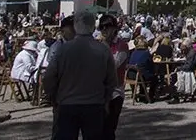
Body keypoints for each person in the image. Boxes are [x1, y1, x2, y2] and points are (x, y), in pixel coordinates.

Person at [43, 11, 117, 140]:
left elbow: (49, 76)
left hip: (67, 103)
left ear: (76, 26)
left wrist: (52, 96)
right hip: (94, 105)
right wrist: (105, 99)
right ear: (93, 27)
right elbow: (111, 80)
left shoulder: (63, 49)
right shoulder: (103, 50)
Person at [99, 14, 129, 140]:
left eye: (108, 27)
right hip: (98, 91)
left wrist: (105, 45)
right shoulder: (96, 44)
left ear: (114, 28)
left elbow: (115, 64)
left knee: (109, 128)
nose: (105, 30)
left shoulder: (122, 45)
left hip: (115, 92)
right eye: (102, 27)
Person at [128, 36, 158, 102]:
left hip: (130, 74)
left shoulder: (133, 52)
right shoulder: (146, 53)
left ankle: (141, 94)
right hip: (139, 75)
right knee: (154, 78)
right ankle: (150, 96)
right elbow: (150, 65)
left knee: (144, 73)